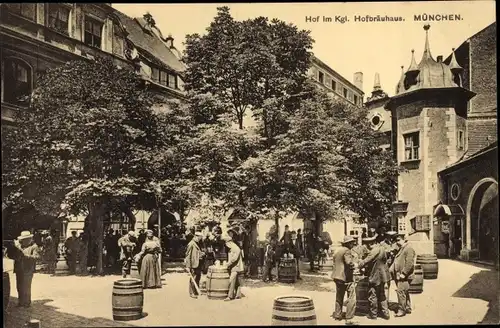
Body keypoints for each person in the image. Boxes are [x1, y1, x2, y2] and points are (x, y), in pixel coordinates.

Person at [358, 235, 390, 320]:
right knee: (382, 294)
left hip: (376, 276)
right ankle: (386, 313)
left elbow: (366, 260)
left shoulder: (374, 250)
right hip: (383, 275)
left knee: (372, 295)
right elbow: (382, 261)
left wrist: (359, 264)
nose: (367, 246)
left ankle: (373, 314)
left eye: (368, 244)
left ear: (371, 243)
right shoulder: (382, 248)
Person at [331, 235, 357, 325]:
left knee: (339, 296)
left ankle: (337, 314)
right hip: (345, 277)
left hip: (336, 276)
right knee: (351, 297)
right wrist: (355, 265)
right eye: (352, 242)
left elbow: (335, 261)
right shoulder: (347, 251)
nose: (353, 244)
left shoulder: (337, 250)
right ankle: (349, 318)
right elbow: (349, 263)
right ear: (348, 243)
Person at [12, 231, 42, 307]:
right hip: (19, 269)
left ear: (29, 239)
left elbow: (37, 257)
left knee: (26, 286)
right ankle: (20, 302)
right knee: (19, 286)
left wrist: (26, 256)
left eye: (25, 239)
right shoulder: (19, 246)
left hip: (28, 270)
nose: (23, 241)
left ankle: (27, 302)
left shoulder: (34, 246)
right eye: (23, 239)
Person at [389, 233, 415, 317]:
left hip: (404, 276)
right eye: (396, 241)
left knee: (400, 291)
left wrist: (404, 273)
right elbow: (396, 261)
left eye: (398, 240)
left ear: (404, 239)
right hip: (399, 275)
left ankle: (401, 310)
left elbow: (409, 263)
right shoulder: (401, 249)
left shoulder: (408, 249)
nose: (397, 242)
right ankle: (407, 307)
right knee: (405, 292)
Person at [223, 236, 244, 301]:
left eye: (226, 243)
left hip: (236, 267)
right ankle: (238, 295)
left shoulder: (235, 248)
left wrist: (227, 264)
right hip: (235, 267)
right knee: (237, 282)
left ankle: (230, 296)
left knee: (231, 281)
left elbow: (234, 259)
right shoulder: (232, 247)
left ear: (229, 242)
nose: (226, 245)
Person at [185, 231, 205, 299]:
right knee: (193, 278)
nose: (200, 239)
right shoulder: (191, 244)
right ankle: (192, 292)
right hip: (193, 264)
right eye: (199, 238)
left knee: (197, 278)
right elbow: (188, 256)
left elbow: (196, 253)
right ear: (196, 236)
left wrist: (201, 254)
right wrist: (187, 266)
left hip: (198, 264)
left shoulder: (197, 243)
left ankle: (196, 291)